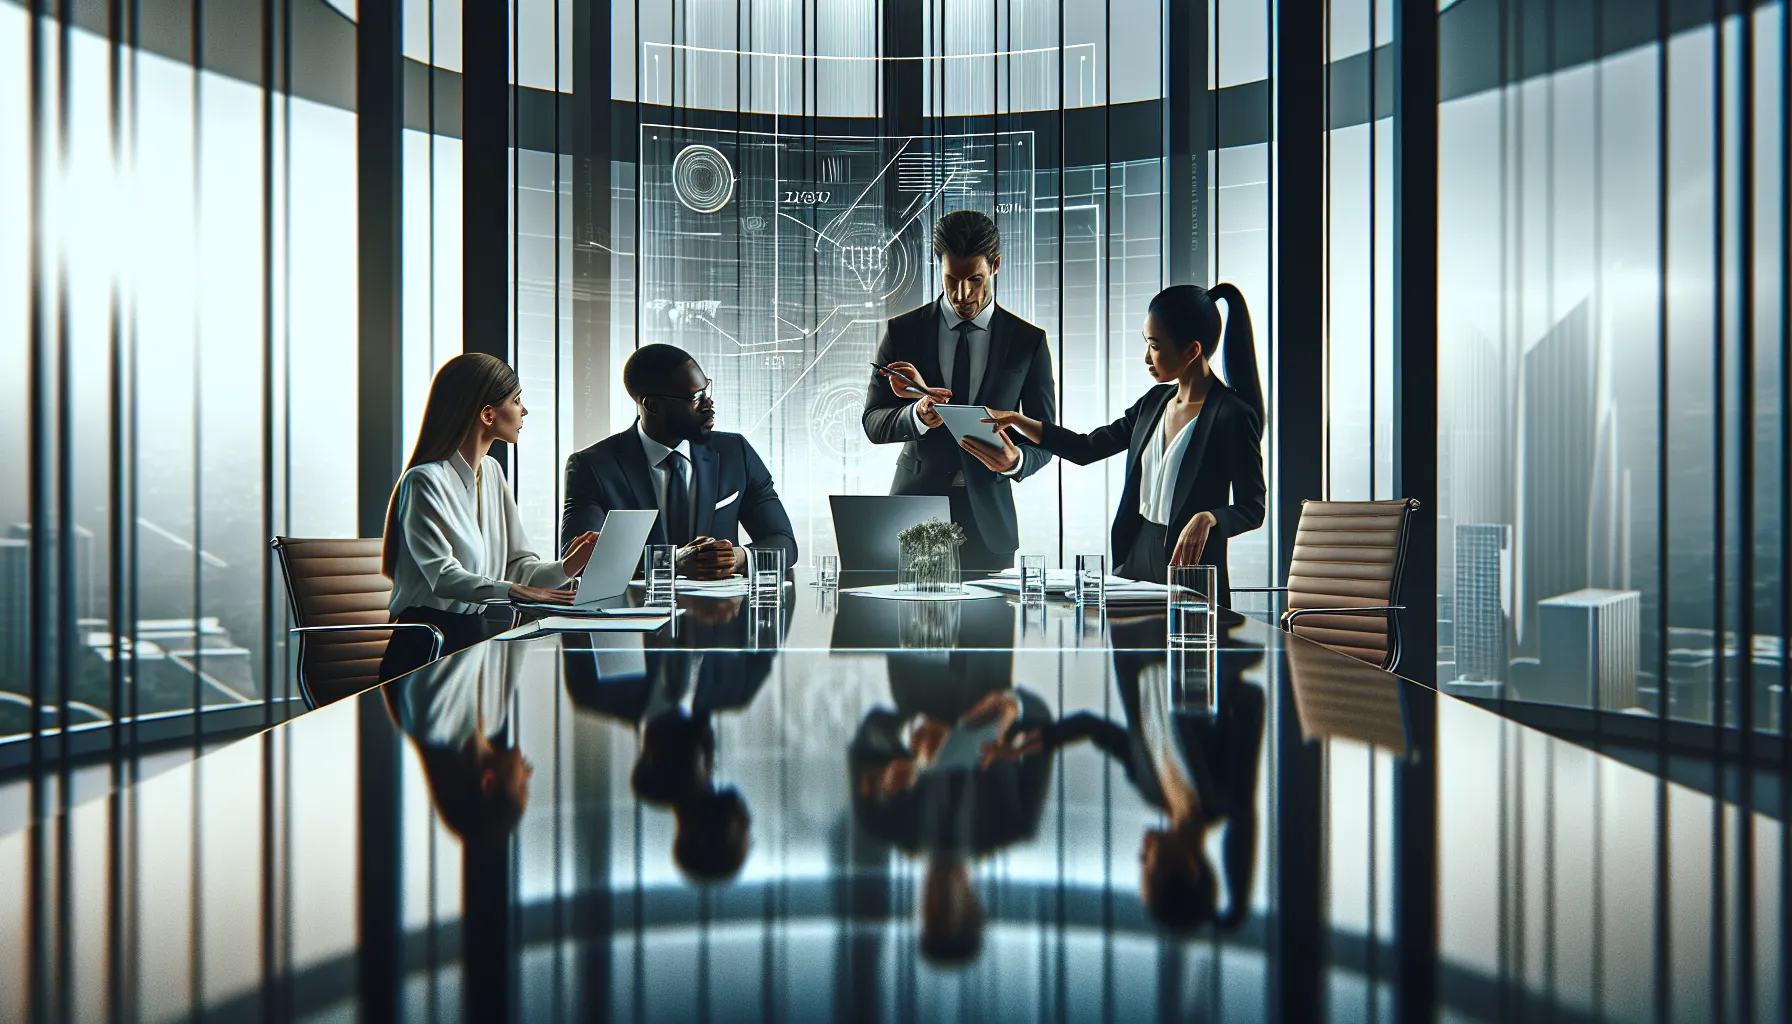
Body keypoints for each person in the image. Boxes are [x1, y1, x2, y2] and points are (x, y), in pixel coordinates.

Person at [980, 284, 1264, 603]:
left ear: (1192, 351)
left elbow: (1253, 508)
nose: (1146, 357)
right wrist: (1018, 419)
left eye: (1155, 345)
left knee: (1186, 651)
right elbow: (1086, 448)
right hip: (1135, 556)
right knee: (1132, 650)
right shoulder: (1154, 402)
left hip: (1190, 566)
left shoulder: (1232, 415)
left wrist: (1209, 518)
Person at [380, 353, 600, 682]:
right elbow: (443, 576)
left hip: (476, 643)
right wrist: (515, 591)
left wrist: (570, 564)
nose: (524, 410)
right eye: (516, 400)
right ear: (487, 414)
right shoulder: (424, 481)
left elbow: (520, 569)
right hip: (427, 651)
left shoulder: (492, 473)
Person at [863, 210, 1058, 571]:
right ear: (938, 265)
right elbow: (873, 421)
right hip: (913, 516)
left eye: (975, 279)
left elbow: (1045, 437)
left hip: (990, 526)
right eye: (952, 279)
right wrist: (915, 416)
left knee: (991, 629)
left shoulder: (1028, 342)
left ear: (995, 265)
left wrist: (1016, 462)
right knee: (907, 628)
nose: (963, 294)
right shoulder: (902, 332)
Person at [562, 344, 797, 580]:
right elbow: (578, 561)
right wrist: (673, 562)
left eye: (707, 389)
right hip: (637, 613)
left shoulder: (735, 453)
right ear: (652, 405)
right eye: (695, 397)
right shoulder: (593, 467)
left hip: (722, 614)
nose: (709, 404)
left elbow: (784, 543)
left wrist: (738, 557)